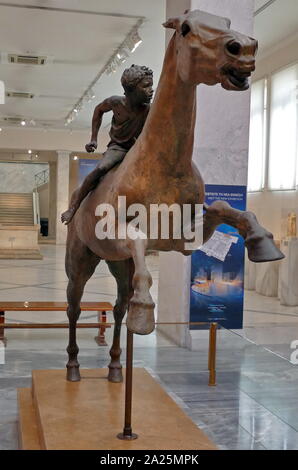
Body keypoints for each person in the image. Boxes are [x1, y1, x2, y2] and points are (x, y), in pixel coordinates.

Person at [61, 64, 154, 225]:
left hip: (139, 150)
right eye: (146, 86)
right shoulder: (115, 103)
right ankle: (73, 208)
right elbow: (98, 110)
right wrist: (94, 138)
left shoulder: (149, 110)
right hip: (119, 148)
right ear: (131, 90)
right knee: (100, 170)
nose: (151, 90)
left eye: (151, 85)